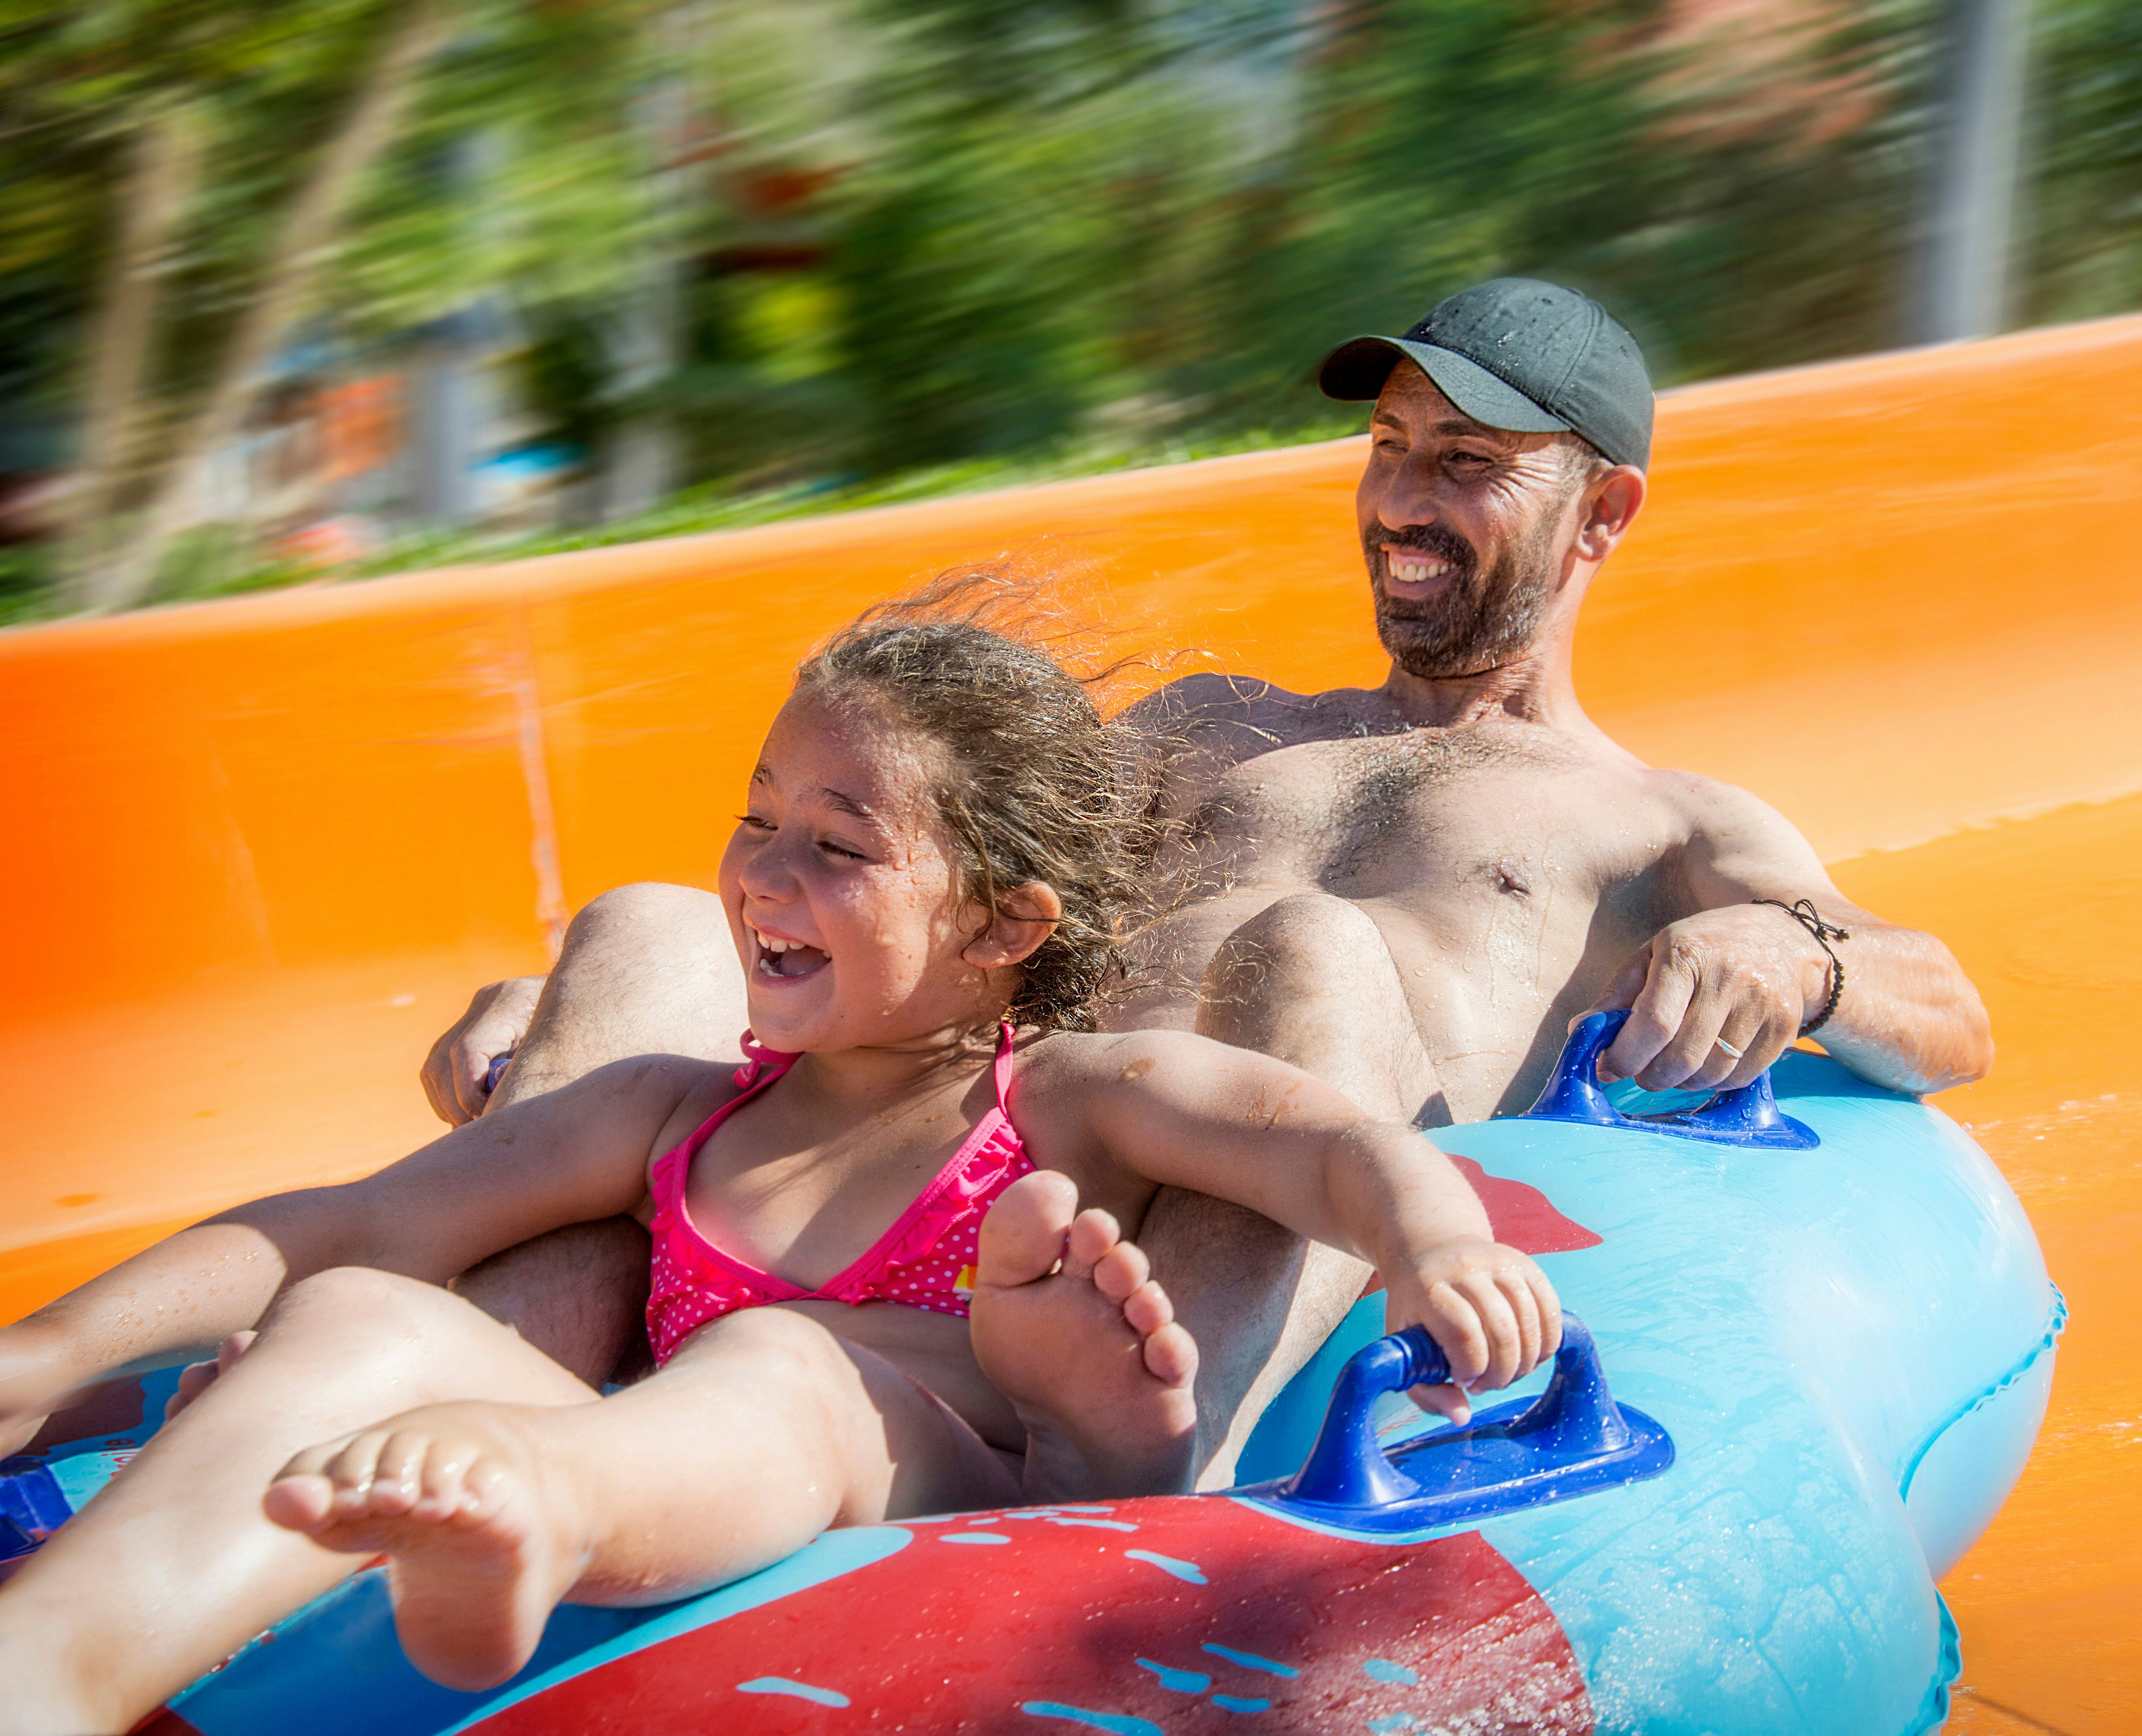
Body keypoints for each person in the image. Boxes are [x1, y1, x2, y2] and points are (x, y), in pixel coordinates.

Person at [425, 277, 1994, 1486]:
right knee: (643, 926)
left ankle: (1133, 1484)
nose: (1400, 502)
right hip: (959, 1189)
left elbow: (1947, 1004)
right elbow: (908, 884)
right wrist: (618, 1005)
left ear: (1607, 512)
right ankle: (452, 1409)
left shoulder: (1655, 826)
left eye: (1468, 464)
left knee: (1307, 945)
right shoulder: (1207, 725)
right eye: (1386, 450)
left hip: (1160, 1297)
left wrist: (1804, 961)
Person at [0, 602, 1560, 1734]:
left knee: (783, 1360)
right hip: (670, 1459)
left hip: (943, 1492)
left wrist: (1437, 1247)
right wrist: (45, 1351)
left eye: (841, 844)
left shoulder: (1067, 1100)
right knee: (361, 1319)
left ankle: (547, 1507)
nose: (762, 874)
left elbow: (1332, 1144)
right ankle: (55, 1667)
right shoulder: (673, 1115)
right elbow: (348, 1219)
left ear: (1006, 929)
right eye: (757, 820)